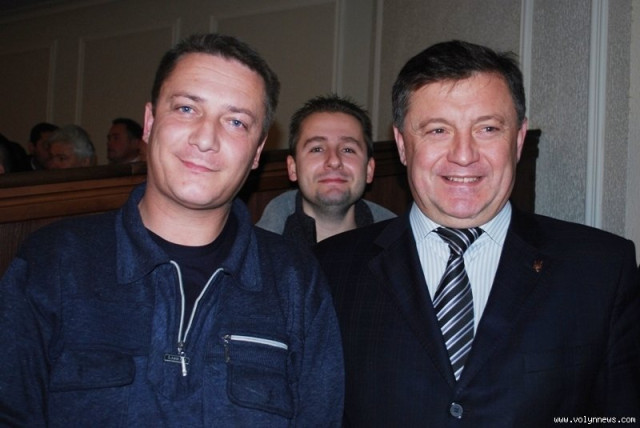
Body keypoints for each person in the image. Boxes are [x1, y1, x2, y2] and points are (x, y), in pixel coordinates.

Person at [0, 33, 343, 426]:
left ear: (257, 152)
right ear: (149, 123)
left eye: (235, 121)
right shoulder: (54, 262)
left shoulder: (295, 281)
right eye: (186, 108)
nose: (206, 138)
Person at [314, 40, 640, 426]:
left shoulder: (601, 269)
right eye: (438, 130)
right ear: (402, 145)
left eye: (487, 128)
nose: (464, 154)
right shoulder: (327, 269)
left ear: (518, 140)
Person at [256, 94, 395, 249]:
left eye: (348, 149)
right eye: (317, 149)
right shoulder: (255, 254)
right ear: (292, 168)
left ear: (369, 169)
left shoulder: (401, 250)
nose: (334, 161)